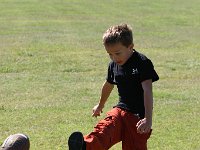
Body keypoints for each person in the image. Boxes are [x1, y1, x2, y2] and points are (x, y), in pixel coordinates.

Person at [68, 24, 159, 150]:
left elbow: (147, 90)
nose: (114, 58)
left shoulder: (142, 63)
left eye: (117, 53)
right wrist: (100, 105)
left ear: (130, 47)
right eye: (110, 54)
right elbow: (108, 85)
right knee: (105, 129)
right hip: (119, 111)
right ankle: (85, 146)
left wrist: (148, 119)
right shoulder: (113, 65)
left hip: (136, 119)